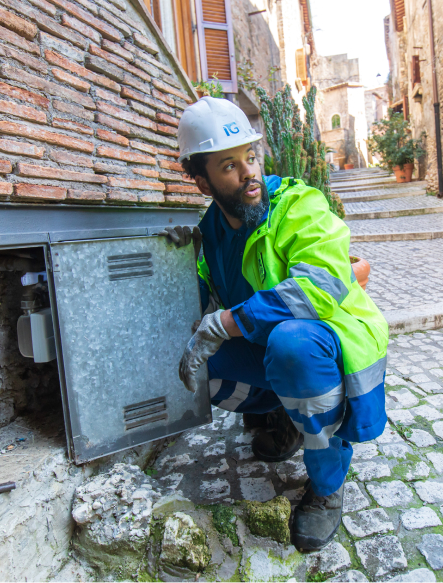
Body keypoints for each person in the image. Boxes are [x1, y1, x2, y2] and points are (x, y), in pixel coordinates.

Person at [162, 96, 388, 552]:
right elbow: (207, 293)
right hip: (271, 350)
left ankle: (326, 489)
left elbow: (320, 286)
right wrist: (177, 260)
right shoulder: (213, 230)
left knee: (291, 345)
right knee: (195, 353)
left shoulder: (299, 204)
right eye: (229, 166)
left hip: (325, 345)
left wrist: (226, 321)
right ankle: (285, 416)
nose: (249, 173)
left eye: (251, 156)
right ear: (201, 181)